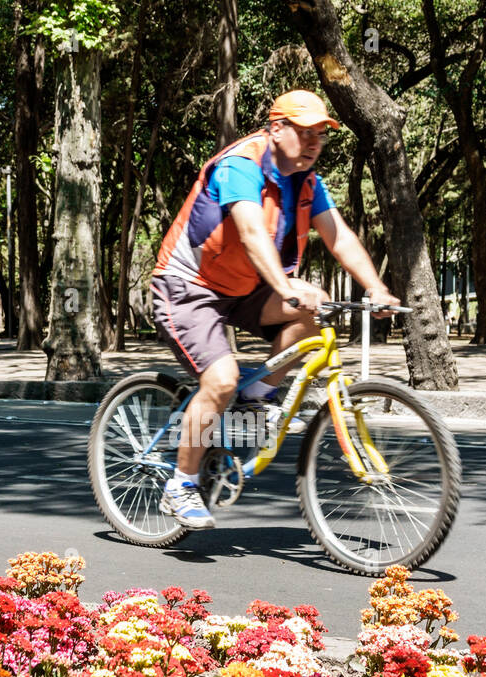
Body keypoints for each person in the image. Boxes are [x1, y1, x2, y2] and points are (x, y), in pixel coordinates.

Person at [150, 89, 398, 530]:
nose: (314, 143)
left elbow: (338, 237)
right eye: (304, 133)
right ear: (277, 128)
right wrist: (285, 285)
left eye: (320, 135)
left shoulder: (308, 183)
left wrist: (377, 288)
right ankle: (181, 484)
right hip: (189, 286)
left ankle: (255, 395)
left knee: (309, 318)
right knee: (220, 379)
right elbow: (249, 232)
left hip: (246, 288)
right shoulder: (241, 166)